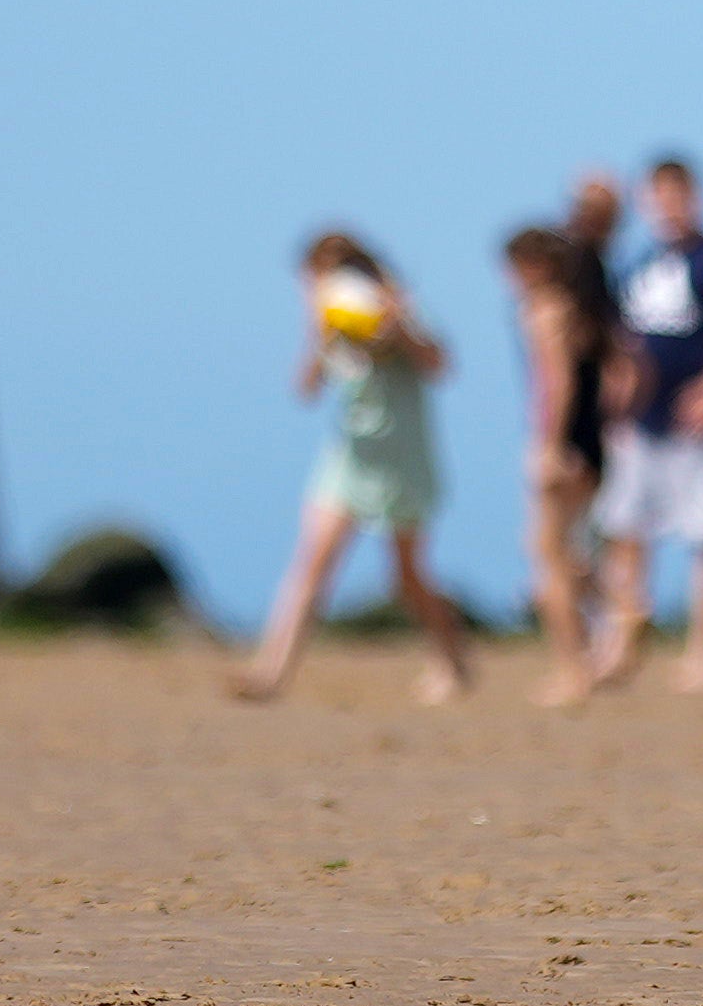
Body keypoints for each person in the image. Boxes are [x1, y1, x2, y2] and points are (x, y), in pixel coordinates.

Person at [234, 236, 474, 703]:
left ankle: (452, 660)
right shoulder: (330, 322)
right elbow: (305, 389)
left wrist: (398, 326)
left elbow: (440, 364)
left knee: (407, 577)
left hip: (401, 459)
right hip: (348, 459)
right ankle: (271, 672)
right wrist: (317, 334)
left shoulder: (397, 306)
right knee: (310, 568)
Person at [585, 155, 703, 695]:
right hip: (640, 427)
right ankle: (621, 644)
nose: (668, 206)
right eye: (658, 195)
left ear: (696, 196)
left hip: (702, 430)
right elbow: (622, 342)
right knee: (624, 535)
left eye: (678, 194)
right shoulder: (639, 263)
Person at [497, 223, 624, 704]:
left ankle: (573, 670)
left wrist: (549, 446)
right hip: (591, 444)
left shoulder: (545, 312)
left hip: (564, 445)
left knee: (548, 559)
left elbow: (557, 383)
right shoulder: (580, 312)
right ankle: (619, 610)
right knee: (568, 555)